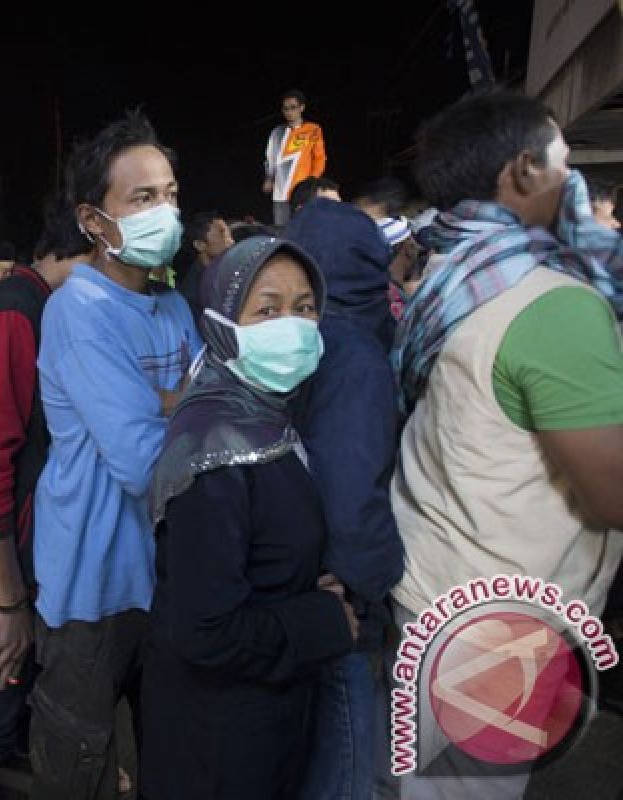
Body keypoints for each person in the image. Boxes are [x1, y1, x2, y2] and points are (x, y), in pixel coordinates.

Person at [389, 90, 623, 795]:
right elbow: (612, 492)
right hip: (497, 628)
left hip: (438, 581)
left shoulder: (451, 273)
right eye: (563, 159)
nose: (576, 181)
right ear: (522, 170)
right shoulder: (553, 303)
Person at [143, 236, 357, 798]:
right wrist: (324, 620)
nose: (292, 324)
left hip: (265, 715)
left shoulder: (268, 417)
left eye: (305, 307)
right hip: (219, 739)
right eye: (266, 309)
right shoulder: (213, 452)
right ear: (220, 326)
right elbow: (204, 632)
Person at [29, 111, 200, 799]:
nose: (167, 211)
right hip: (92, 581)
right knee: (81, 761)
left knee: (167, 748)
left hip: (166, 575)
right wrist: (180, 406)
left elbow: (220, 412)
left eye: (171, 194)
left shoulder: (172, 304)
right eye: (144, 198)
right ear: (95, 222)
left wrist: (165, 404)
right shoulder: (79, 311)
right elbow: (141, 464)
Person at [0, 196, 89, 799]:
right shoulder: (13, 316)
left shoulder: (45, 308)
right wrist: (5, 602)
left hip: (24, 568)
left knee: (5, 722)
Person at [283, 196, 404, 798]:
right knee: (346, 764)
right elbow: (352, 492)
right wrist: (372, 582)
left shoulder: (297, 335)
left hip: (299, 580)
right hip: (344, 601)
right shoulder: (356, 355)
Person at [263, 89, 327, 226]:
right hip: (280, 194)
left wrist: (312, 182)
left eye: (293, 108)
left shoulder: (313, 129)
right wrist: (268, 178)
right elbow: (270, 159)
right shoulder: (276, 132)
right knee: (281, 231)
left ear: (302, 108)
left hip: (302, 192)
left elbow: (320, 158)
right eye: (285, 108)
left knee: (304, 229)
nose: (289, 112)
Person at [176, 210, 233, 326]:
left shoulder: (228, 273)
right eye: (222, 234)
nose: (231, 241)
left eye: (229, 233)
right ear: (200, 245)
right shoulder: (191, 293)